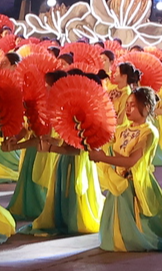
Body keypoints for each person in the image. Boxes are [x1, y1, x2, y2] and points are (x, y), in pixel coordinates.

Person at [90, 87, 162, 252]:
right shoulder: (122, 130)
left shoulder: (149, 132)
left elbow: (132, 160)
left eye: (132, 105)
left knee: (147, 228)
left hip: (135, 184)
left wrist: (102, 158)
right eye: (127, 105)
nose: (128, 109)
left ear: (146, 108)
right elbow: (101, 139)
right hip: (118, 183)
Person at [27, 81, 104, 238]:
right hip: (63, 160)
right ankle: (66, 220)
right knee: (63, 192)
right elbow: (66, 141)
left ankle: (72, 221)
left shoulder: (82, 117)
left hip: (75, 162)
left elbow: (76, 149)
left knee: (73, 193)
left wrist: (52, 148)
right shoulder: (66, 114)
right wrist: (53, 141)